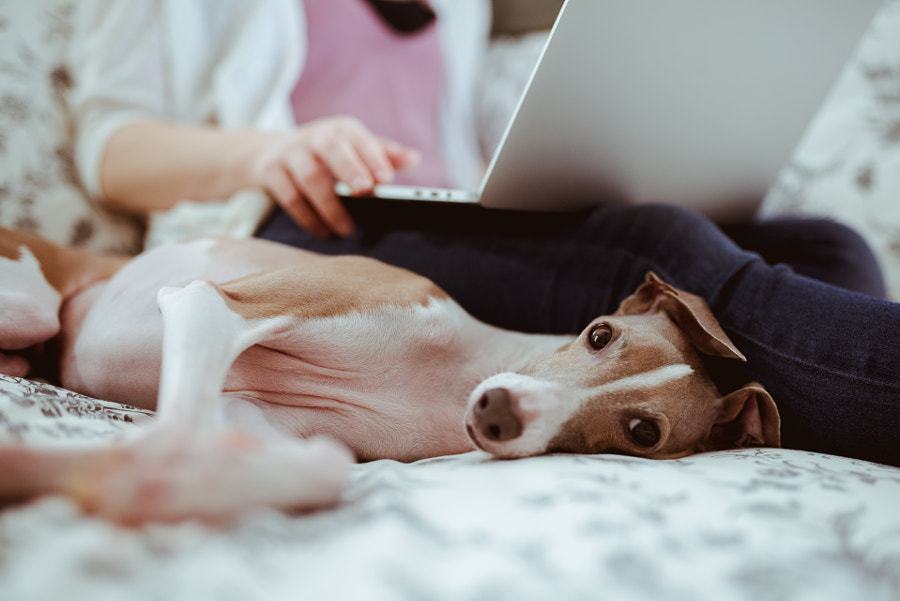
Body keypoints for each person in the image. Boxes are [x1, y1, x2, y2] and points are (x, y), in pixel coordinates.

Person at [69, 0, 899, 467]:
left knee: (833, 247)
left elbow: (445, 134)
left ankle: (773, 416)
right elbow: (110, 146)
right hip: (310, 220)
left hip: (450, 217)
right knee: (661, 248)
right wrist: (273, 151)